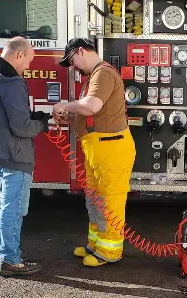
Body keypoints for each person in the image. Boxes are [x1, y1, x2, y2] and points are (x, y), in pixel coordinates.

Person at [53, 37, 136, 267]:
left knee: (109, 200)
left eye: (72, 61)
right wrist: (70, 116)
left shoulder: (104, 74)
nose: (73, 67)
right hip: (98, 148)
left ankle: (110, 251)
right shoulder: (93, 77)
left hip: (111, 147)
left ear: (81, 51)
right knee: (95, 199)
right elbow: (89, 113)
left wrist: (64, 105)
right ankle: (96, 244)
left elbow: (91, 106)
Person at [0, 36, 51, 277]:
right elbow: (22, 128)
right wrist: (42, 125)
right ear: (18, 55)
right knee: (14, 207)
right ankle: (10, 261)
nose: (28, 67)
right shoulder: (12, 83)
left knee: (4, 203)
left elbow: (5, 115)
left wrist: (34, 118)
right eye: (28, 61)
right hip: (14, 153)